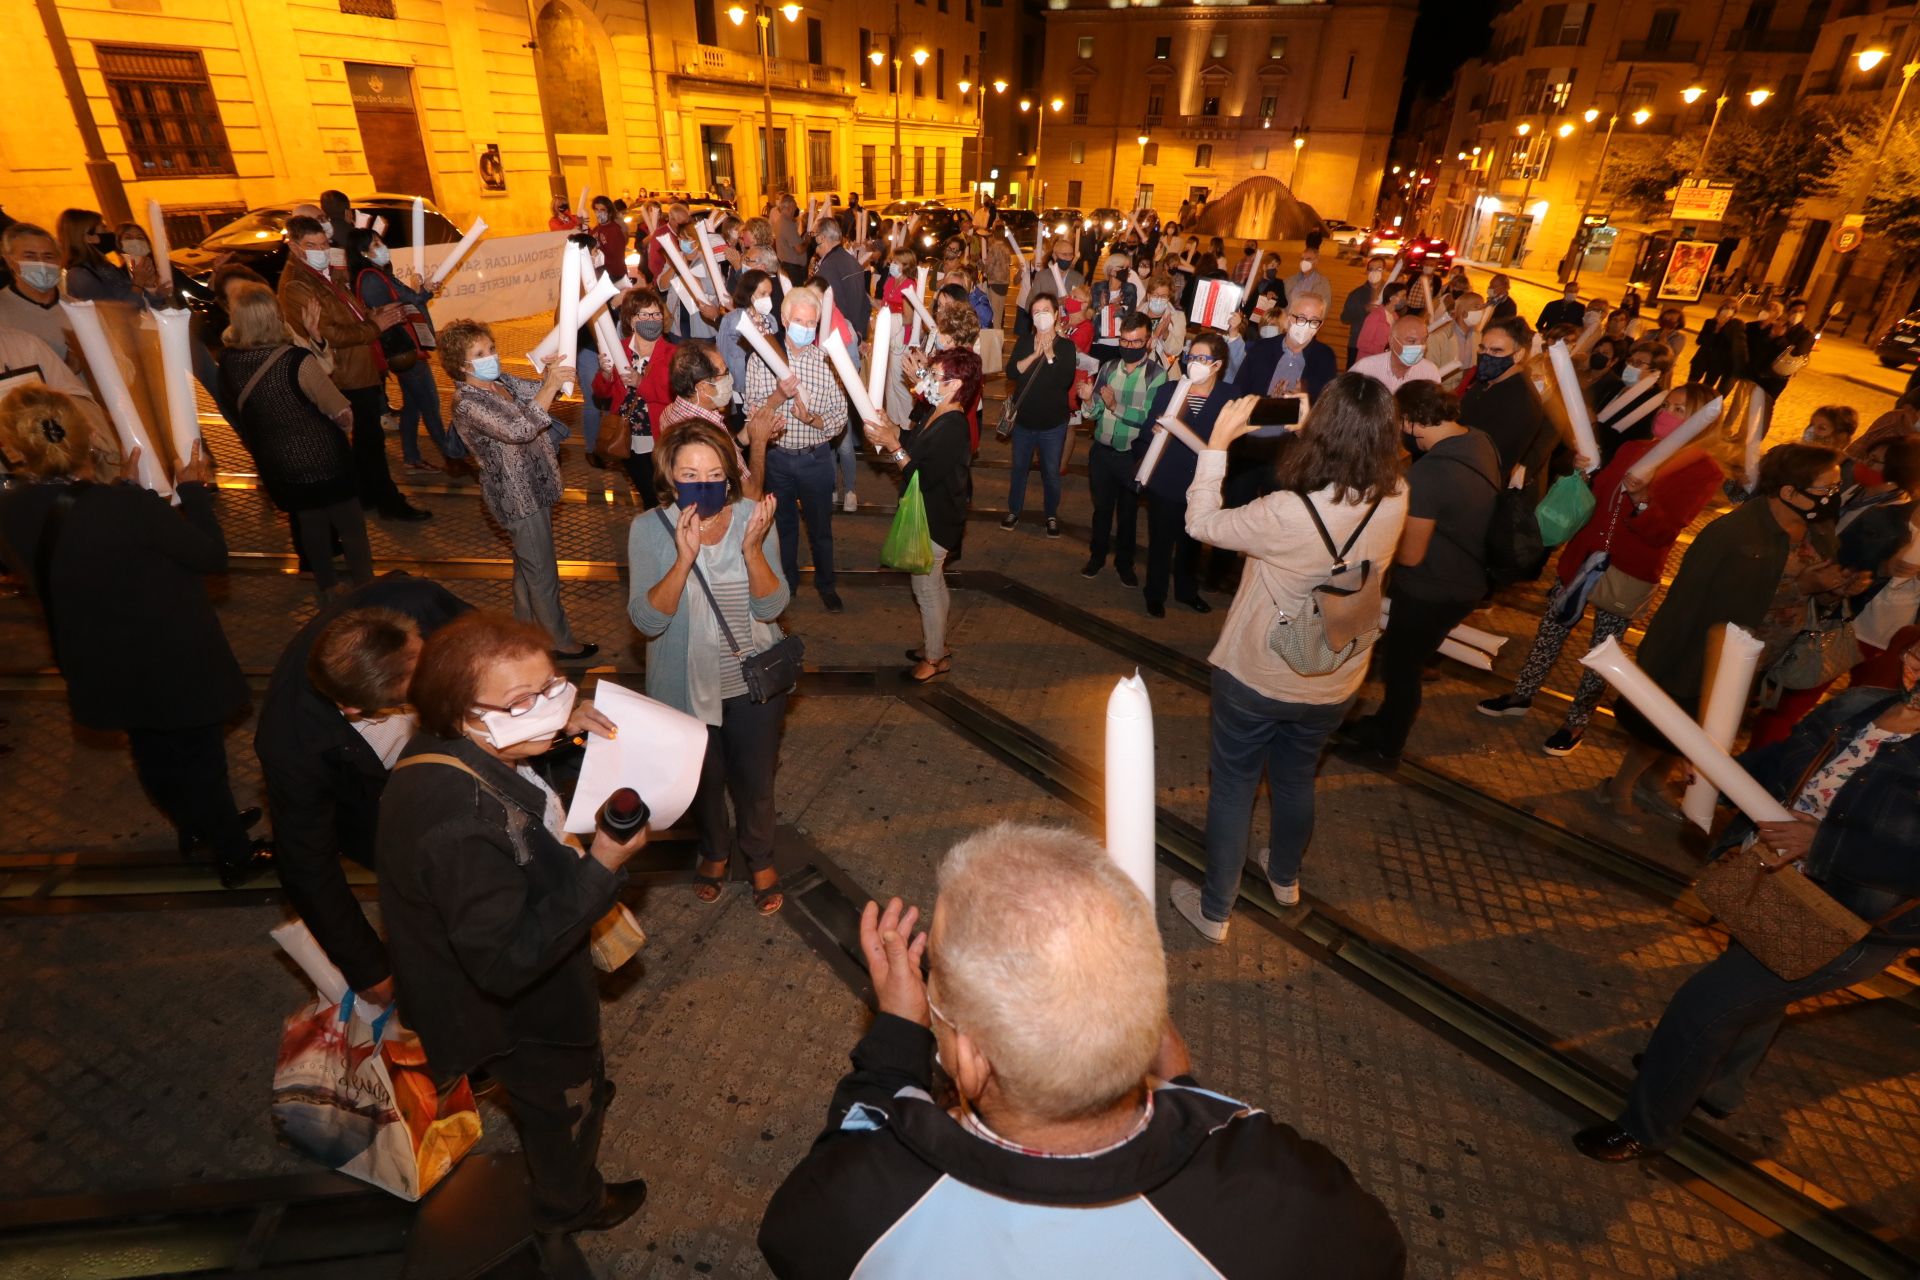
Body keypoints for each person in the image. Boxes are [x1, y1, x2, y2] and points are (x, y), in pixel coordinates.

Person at [760, 824, 1407, 1278]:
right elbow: (1377, 1253)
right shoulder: (1276, 1194)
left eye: (937, 992)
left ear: (972, 1062)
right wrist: (1185, 1088)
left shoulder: (869, 1200)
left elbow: (792, 1237)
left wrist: (896, 1038)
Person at [1575, 639, 1920, 1163]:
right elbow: (1783, 760)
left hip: (1854, 922)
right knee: (1757, 987)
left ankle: (1647, 1128)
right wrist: (1722, 771)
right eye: (1918, 649)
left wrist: (1823, 843)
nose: (1915, 663)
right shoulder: (1862, 703)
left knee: (1703, 1008)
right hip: (1779, 881)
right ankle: (1715, 1085)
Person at [376, 611, 647, 1275]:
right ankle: (570, 1201)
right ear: (466, 717)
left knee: (561, 1089)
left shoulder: (449, 752)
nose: (552, 705)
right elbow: (507, 961)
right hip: (516, 1014)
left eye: (553, 686)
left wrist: (559, 721)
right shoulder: (460, 827)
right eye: (524, 701)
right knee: (561, 1111)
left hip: (489, 968)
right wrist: (602, 866)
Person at [0, 386, 268, 885]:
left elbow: (74, 538)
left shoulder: (12, 511)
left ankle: (195, 826)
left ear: (16, 448)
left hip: (100, 659)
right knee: (201, 757)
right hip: (169, 655)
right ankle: (234, 855)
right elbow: (210, 557)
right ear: (86, 437)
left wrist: (112, 492)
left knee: (149, 748)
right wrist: (191, 491)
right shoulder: (129, 508)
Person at [1172, 373, 1408, 939]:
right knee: (1297, 778)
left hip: (1260, 672)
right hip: (1337, 674)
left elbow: (1201, 524)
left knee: (1234, 787)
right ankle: (1283, 878)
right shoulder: (1398, 494)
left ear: (1320, 430)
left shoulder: (1287, 510)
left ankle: (1215, 912)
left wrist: (1215, 448)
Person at [1599, 444, 1852, 831]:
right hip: (1705, 655)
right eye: (1826, 488)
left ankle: (1654, 782)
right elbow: (1691, 601)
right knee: (1667, 726)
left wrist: (1834, 588)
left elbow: (1815, 584)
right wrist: (1802, 586)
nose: (1833, 496)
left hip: (1762, 657)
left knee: (1706, 730)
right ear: (1789, 491)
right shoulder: (1732, 532)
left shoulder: (1817, 530)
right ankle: (1620, 787)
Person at [254, 576, 471, 1000]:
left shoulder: (418, 602)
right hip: (382, 806)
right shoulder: (292, 742)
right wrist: (369, 970)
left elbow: (493, 651)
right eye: (415, 690)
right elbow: (307, 865)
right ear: (356, 708)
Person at [1479, 384, 1724, 756]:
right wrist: (1585, 474)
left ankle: (1577, 721)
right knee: (1550, 630)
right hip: (1583, 559)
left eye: (1679, 410)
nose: (1665, 414)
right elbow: (1601, 497)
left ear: (1698, 424)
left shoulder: (1703, 471)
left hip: (1627, 570)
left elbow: (1663, 532)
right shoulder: (1632, 448)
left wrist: (1642, 498)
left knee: (1603, 651)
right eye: (1666, 405)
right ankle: (1521, 694)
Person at [627, 419, 791, 914]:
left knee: (755, 780)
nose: (703, 481)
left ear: (729, 473)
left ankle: (760, 855)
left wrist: (752, 551)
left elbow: (772, 607)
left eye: (715, 471)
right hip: (684, 685)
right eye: (690, 472)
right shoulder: (648, 529)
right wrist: (681, 561)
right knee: (703, 780)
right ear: (670, 475)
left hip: (752, 683)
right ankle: (714, 851)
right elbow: (647, 621)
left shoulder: (753, 517)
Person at [1346, 382, 1498, 764]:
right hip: (1469, 579)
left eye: (1400, 422)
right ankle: (1381, 725)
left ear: (1413, 422)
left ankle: (1386, 747)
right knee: (1409, 662)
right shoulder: (1479, 440)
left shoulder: (1430, 475)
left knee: (1401, 670)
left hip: (1431, 589)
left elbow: (1411, 556)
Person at [441, 319, 596, 663]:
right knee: (542, 572)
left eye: (491, 349)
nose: (490, 357)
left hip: (534, 485)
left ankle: (522, 631)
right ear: (461, 364)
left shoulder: (500, 382)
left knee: (529, 567)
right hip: (516, 495)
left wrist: (551, 375)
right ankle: (559, 642)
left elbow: (537, 393)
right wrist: (549, 387)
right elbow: (521, 427)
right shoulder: (467, 402)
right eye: (479, 353)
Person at [217, 282, 373, 601]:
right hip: (325, 457)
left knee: (309, 522)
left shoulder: (228, 362)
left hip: (278, 462)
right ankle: (366, 590)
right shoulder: (296, 360)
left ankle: (327, 588)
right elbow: (340, 410)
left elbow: (234, 410)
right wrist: (345, 427)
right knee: (351, 526)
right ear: (274, 316)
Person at [277, 215, 430, 523]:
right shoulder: (297, 284)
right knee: (370, 443)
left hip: (360, 367)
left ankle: (367, 496)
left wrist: (374, 313)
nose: (321, 250)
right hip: (345, 374)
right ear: (294, 247)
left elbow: (350, 313)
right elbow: (329, 333)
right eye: (312, 245)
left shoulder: (324, 274)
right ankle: (389, 502)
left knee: (366, 442)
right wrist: (375, 325)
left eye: (323, 243)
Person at [861, 349, 979, 683]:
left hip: (936, 518)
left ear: (955, 384)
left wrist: (891, 444)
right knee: (934, 583)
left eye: (935, 374)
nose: (927, 378)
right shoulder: (938, 411)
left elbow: (919, 474)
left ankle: (934, 658)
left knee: (925, 589)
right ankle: (938, 643)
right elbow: (914, 441)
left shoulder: (954, 426)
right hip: (935, 513)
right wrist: (892, 428)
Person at [741, 285, 847, 612]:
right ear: (785, 320)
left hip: (816, 458)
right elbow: (752, 413)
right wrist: (778, 398)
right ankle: (788, 582)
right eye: (800, 321)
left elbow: (840, 415)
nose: (806, 329)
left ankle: (826, 584)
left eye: (812, 324)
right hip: (778, 459)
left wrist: (812, 418)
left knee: (821, 529)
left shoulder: (826, 362)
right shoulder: (762, 360)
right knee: (783, 527)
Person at [1141, 333, 1238, 619]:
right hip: (1167, 480)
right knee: (1160, 542)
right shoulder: (1170, 390)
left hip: (1202, 485)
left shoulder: (1230, 397)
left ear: (1217, 365)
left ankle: (1186, 591)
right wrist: (1155, 430)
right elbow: (1149, 426)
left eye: (1201, 358)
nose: (1193, 363)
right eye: (1190, 357)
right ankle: (1154, 594)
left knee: (1192, 544)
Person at [347, 228, 451, 473]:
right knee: (430, 405)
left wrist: (422, 291)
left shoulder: (377, 273)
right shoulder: (371, 278)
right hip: (403, 350)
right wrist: (421, 293)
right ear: (362, 252)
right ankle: (453, 456)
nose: (382, 246)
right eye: (375, 244)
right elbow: (408, 301)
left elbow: (409, 299)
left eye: (380, 240)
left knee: (413, 406)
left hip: (404, 351)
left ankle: (412, 458)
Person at [1080, 313, 1167, 585]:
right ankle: (1097, 556)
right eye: (1124, 341)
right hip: (1102, 452)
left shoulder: (1156, 375)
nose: (1129, 347)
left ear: (1148, 341)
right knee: (1102, 510)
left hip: (1132, 456)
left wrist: (1115, 406)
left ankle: (1124, 563)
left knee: (1128, 514)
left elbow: (1150, 420)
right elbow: (1094, 410)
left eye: (1136, 342)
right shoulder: (1108, 368)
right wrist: (1086, 401)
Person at [1001, 292, 1077, 539]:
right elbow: (1012, 372)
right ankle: (1014, 510)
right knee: (1019, 469)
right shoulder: (1024, 342)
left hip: (1053, 424)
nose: (1042, 315)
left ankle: (1051, 514)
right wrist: (1035, 354)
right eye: (1036, 312)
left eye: (1046, 310)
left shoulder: (1066, 346)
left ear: (1056, 315)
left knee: (1051, 472)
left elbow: (1064, 381)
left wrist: (1050, 355)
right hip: (1024, 421)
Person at [588, 288, 675, 504]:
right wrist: (606, 374)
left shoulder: (673, 353)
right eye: (644, 315)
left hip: (660, 437)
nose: (652, 320)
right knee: (649, 496)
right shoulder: (619, 350)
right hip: (628, 438)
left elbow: (674, 395)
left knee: (666, 496)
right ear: (631, 320)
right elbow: (600, 393)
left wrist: (640, 383)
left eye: (656, 314)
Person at [1457, 316, 1553, 502]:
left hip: (1471, 489)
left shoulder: (1522, 403)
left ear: (1517, 355)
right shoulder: (1489, 380)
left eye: (1496, 351)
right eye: (1483, 348)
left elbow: (1484, 452)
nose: (1486, 356)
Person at [1587, 338, 1675, 467]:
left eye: (1638, 363)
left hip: (1608, 462)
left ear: (1656, 372)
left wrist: (1594, 423)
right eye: (1630, 361)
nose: (1630, 367)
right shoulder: (1616, 385)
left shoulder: (1654, 404)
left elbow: (1633, 442)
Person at [57, 210, 169, 308]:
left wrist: (155, 293)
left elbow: (139, 302)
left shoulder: (105, 267)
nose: (109, 233)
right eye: (103, 228)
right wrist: (138, 282)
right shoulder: (80, 275)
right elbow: (118, 312)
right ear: (89, 238)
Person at [0, 223, 77, 362]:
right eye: (30, 256)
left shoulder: (79, 310)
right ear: (9, 260)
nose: (41, 263)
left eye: (48, 256)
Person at [1349, 313, 1441, 392]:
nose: (1419, 347)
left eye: (1423, 341)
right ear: (1392, 341)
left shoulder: (1430, 373)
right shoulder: (1365, 369)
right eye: (1411, 341)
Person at [1341, 260, 1387, 369]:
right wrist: (1363, 309)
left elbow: (1401, 311)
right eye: (1371, 269)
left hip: (1382, 345)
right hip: (1357, 344)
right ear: (1366, 271)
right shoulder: (1356, 294)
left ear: (1384, 270)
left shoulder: (1390, 292)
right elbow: (1344, 318)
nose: (1374, 272)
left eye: (1379, 269)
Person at [1354, 282, 1407, 363]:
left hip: (1382, 361)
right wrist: (1384, 351)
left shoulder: (1395, 317)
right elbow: (1362, 343)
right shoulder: (1375, 316)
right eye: (1403, 296)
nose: (1405, 299)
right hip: (1368, 362)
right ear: (1392, 298)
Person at [1142, 272, 1187, 365]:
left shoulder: (1177, 317)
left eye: (1163, 296)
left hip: (1165, 370)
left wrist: (1166, 333)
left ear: (1168, 298)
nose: (1158, 299)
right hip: (1140, 368)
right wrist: (1155, 334)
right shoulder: (1138, 314)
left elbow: (1176, 351)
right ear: (1148, 295)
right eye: (1155, 295)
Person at [1280, 245, 1332, 314]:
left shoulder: (1323, 283)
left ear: (1316, 262)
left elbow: (1325, 309)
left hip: (1306, 322)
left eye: (1308, 259)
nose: (1304, 262)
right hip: (1286, 322)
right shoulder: (1289, 281)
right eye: (1302, 259)